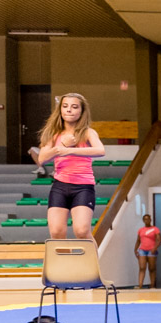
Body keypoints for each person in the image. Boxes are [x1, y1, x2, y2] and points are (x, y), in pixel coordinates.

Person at [35, 92, 105, 242]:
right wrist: (62, 145)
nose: (69, 110)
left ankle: (93, 258)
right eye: (65, 106)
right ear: (60, 109)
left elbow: (100, 151)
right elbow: (42, 159)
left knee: (81, 231)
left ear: (81, 111)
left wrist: (70, 150)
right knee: (56, 232)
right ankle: (62, 258)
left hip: (83, 186)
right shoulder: (54, 134)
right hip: (60, 186)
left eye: (74, 107)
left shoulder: (88, 132)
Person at [135, 214, 160, 288]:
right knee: (142, 267)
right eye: (145, 219)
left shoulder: (155, 229)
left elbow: (159, 240)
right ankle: (140, 285)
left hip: (151, 250)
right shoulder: (141, 230)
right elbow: (138, 240)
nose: (147, 220)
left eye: (148, 219)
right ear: (143, 220)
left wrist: (155, 248)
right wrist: (135, 249)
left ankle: (152, 285)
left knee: (152, 268)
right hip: (142, 250)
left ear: (150, 220)